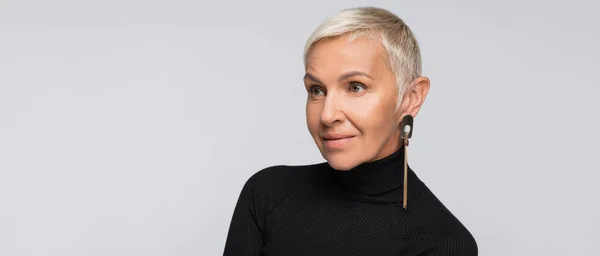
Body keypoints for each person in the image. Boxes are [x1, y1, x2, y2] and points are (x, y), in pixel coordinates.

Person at [223, 6, 477, 255]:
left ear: (410, 98)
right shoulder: (267, 195)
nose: (327, 115)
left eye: (356, 87)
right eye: (316, 90)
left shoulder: (442, 243)